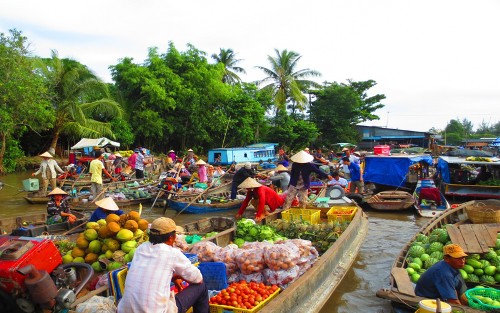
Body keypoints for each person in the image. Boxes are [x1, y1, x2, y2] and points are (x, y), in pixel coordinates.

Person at [118, 217, 209, 313]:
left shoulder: (141, 249)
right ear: (171, 238)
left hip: (125, 310)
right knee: (201, 287)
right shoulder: (172, 253)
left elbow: (151, 273)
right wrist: (180, 276)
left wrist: (174, 277)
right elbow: (198, 279)